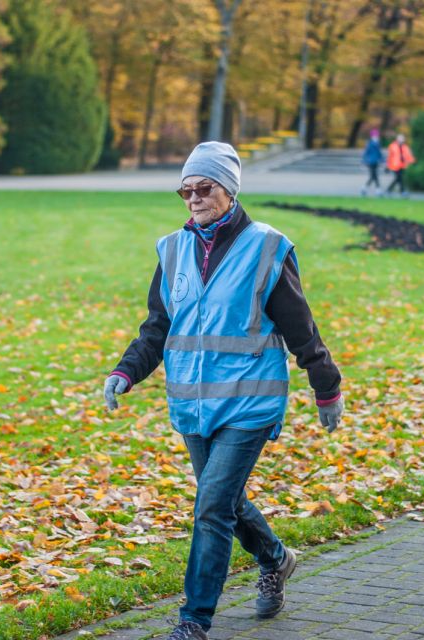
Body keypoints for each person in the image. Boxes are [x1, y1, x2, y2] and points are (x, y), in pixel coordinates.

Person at [103, 141, 344, 640]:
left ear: (229, 190)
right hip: (193, 403)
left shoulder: (267, 248)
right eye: (185, 190)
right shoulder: (172, 249)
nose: (193, 197)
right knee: (225, 503)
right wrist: (126, 372)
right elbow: (158, 327)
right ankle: (276, 559)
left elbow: (301, 329)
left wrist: (326, 387)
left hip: (250, 402)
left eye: (204, 187)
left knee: (211, 506)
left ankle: (194, 620)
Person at [385, 133, 415, 197]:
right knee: (399, 178)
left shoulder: (405, 147)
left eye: (402, 138)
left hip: (403, 165)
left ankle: (390, 190)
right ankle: (402, 191)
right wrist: (387, 166)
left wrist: (412, 161)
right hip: (395, 165)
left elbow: (408, 155)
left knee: (399, 179)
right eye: (400, 138)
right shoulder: (392, 146)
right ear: (397, 139)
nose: (401, 139)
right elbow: (389, 157)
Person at [360, 128, 383, 196]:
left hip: (376, 162)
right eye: (375, 136)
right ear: (372, 136)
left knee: (373, 176)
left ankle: (364, 188)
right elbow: (366, 153)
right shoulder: (370, 144)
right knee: (374, 176)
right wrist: (363, 161)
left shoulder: (378, 143)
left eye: (377, 136)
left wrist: (382, 160)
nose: (376, 137)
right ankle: (378, 190)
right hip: (370, 162)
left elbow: (379, 153)